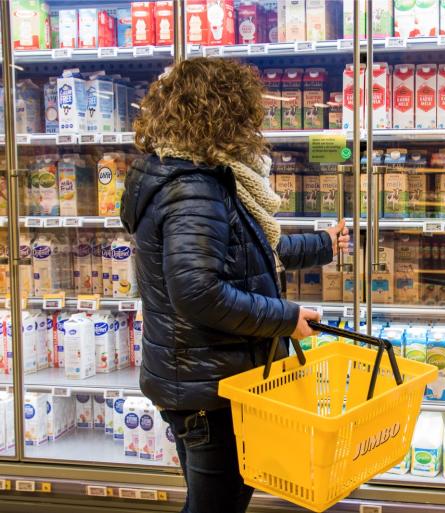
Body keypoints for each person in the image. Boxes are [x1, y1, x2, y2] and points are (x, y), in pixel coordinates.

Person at [120, 58, 350, 513]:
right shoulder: (194, 187)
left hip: (200, 377)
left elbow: (243, 252)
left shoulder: (182, 173)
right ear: (222, 113)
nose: (255, 123)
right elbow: (198, 291)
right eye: (246, 111)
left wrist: (322, 244)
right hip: (209, 387)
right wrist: (285, 319)